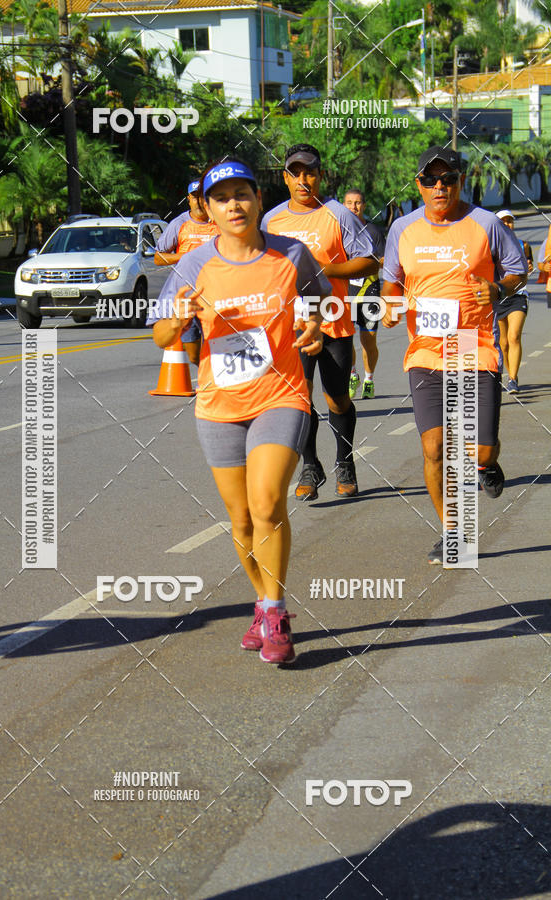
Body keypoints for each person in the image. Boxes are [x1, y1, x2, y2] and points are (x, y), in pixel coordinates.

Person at [153, 158, 330, 663]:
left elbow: (321, 306)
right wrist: (178, 319)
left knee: (268, 502)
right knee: (241, 521)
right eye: (222, 197)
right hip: (218, 405)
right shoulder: (193, 266)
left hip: (281, 394)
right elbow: (161, 334)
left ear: (257, 199)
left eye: (242, 194)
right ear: (207, 208)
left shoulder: (291, 254)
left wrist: (313, 328)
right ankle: (262, 598)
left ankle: (274, 612)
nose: (234, 204)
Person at [382, 145, 528, 564]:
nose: (440, 186)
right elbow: (391, 281)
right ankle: (453, 532)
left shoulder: (485, 223)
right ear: (420, 185)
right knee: (434, 447)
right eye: (431, 180)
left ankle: (487, 464)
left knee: (479, 450)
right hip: (425, 351)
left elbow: (517, 269)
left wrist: (499, 288)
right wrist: (391, 306)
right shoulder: (403, 230)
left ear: (460, 181)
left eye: (448, 178)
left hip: (473, 347)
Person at [261, 144, 378, 500]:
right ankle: (310, 467)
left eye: (309, 172)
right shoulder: (271, 220)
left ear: (320, 175)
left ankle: (345, 461)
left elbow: (370, 261)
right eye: (295, 173)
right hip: (291, 325)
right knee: (298, 399)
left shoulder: (338, 215)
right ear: (285, 178)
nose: (303, 180)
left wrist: (324, 270)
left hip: (333, 322)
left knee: (337, 399)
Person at [155, 180, 221, 365]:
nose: (199, 201)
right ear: (188, 200)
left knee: (218, 344)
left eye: (202, 196)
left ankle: (213, 383)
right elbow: (159, 258)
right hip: (187, 295)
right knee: (193, 355)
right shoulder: (179, 224)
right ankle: (206, 372)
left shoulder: (219, 221)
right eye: (194, 197)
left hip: (216, 293)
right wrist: (186, 256)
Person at [343, 188, 386, 399]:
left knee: (368, 340)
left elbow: (383, 261)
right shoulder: (338, 229)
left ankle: (369, 379)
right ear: (344, 205)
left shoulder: (373, 231)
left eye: (358, 203)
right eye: (349, 203)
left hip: (369, 288)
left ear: (364, 206)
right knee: (345, 337)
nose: (354, 207)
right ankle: (353, 374)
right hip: (344, 289)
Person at [494, 210, 532, 393]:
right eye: (503, 221)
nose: (507, 224)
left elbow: (528, 268)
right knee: (503, 342)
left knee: (514, 336)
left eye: (510, 221)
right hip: (499, 297)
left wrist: (530, 268)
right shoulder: (490, 247)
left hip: (518, 295)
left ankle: (513, 379)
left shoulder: (523, 245)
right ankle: (508, 375)